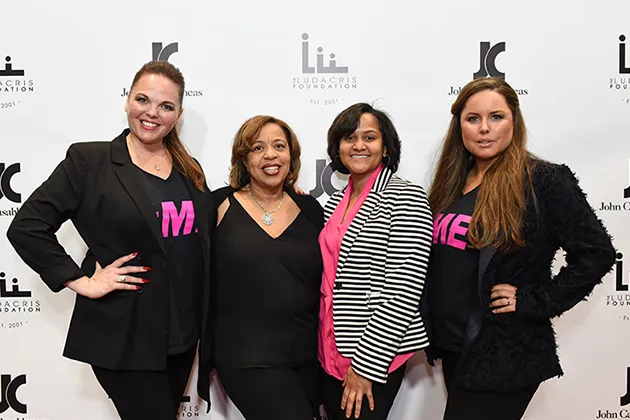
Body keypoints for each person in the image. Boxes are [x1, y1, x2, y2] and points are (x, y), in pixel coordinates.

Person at [6, 61, 214, 420]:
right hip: (124, 335)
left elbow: (208, 222)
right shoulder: (91, 161)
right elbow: (26, 226)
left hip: (182, 336)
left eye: (165, 106)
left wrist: (279, 196)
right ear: (127, 101)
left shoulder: (188, 167)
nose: (152, 113)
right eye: (143, 99)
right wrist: (80, 281)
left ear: (178, 115)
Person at [423, 77, 616, 420]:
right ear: (459, 126)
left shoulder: (543, 180)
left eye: (496, 117)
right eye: (473, 119)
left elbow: (596, 252)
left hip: (504, 351)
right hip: (455, 346)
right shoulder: (450, 183)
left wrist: (532, 300)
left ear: (514, 120)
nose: (484, 129)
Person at [318, 103, 433, 420]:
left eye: (369, 137)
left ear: (385, 148)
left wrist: (366, 367)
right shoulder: (333, 203)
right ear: (337, 147)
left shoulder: (404, 196)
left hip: (371, 351)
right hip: (328, 344)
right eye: (349, 137)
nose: (358, 146)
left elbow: (404, 290)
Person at [211, 115, 324, 420]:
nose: (270, 155)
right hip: (246, 356)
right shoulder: (218, 206)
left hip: (304, 356)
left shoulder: (311, 209)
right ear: (244, 159)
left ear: (291, 156)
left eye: (279, 146)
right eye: (258, 148)